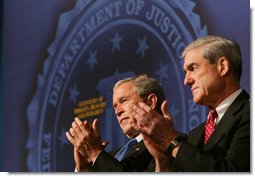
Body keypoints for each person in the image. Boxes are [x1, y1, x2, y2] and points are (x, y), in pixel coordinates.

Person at [129, 35, 250, 172]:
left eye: (193, 68)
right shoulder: (196, 135)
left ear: (222, 66)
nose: (186, 81)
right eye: (185, 72)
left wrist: (170, 140)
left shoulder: (249, 113)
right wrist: (164, 164)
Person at [65, 74, 167, 172]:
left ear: (150, 102)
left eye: (124, 101)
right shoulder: (111, 157)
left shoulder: (172, 147)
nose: (118, 111)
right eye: (115, 106)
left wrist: (94, 153)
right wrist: (84, 170)